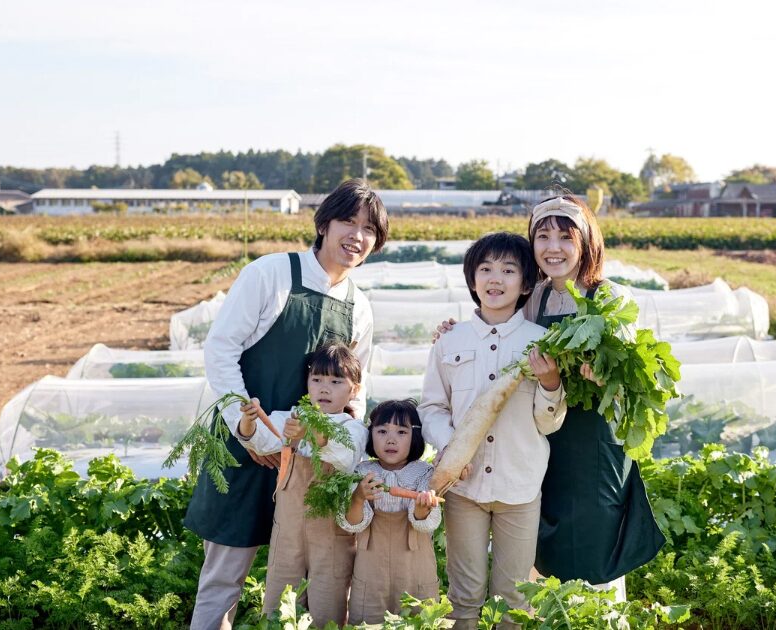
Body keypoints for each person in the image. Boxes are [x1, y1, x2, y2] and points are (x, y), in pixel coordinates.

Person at [433, 196, 665, 598]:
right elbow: (499, 331)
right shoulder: (535, 297)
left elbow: (631, 367)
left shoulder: (611, 297)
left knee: (596, 538)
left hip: (593, 440)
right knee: (545, 544)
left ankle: (599, 621)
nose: (552, 247)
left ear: (586, 242)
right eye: (543, 236)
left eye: (564, 236)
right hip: (542, 435)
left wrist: (604, 369)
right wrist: (457, 330)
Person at [185, 179, 387, 630]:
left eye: (369, 229)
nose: (357, 235)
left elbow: (358, 391)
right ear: (323, 224)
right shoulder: (270, 274)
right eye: (347, 222)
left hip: (314, 466)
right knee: (224, 577)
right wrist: (251, 431)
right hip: (246, 450)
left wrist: (346, 451)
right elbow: (221, 349)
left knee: (313, 579)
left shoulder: (360, 307)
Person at [419, 232, 567, 630]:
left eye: (508, 269)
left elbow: (549, 422)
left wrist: (552, 384)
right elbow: (432, 406)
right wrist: (452, 448)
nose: (495, 278)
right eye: (485, 269)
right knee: (463, 595)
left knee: (515, 599)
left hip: (520, 487)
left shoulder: (542, 343)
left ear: (526, 283)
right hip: (463, 489)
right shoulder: (451, 340)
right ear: (472, 280)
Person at [237, 341, 367, 627]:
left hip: (331, 533)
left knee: (328, 602)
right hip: (288, 530)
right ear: (307, 383)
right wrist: (249, 421)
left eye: (335, 381)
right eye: (317, 379)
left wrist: (313, 434)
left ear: (353, 390)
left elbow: (344, 459)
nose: (324, 388)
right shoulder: (291, 417)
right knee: (279, 600)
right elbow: (260, 438)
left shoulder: (352, 428)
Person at [338, 400, 442, 625]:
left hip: (414, 565)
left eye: (401, 432)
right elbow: (352, 524)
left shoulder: (425, 473)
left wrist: (422, 509)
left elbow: (428, 523)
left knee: (419, 618)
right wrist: (357, 497)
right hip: (371, 566)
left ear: (415, 437)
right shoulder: (362, 471)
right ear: (370, 435)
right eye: (382, 431)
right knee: (369, 618)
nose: (390, 439)